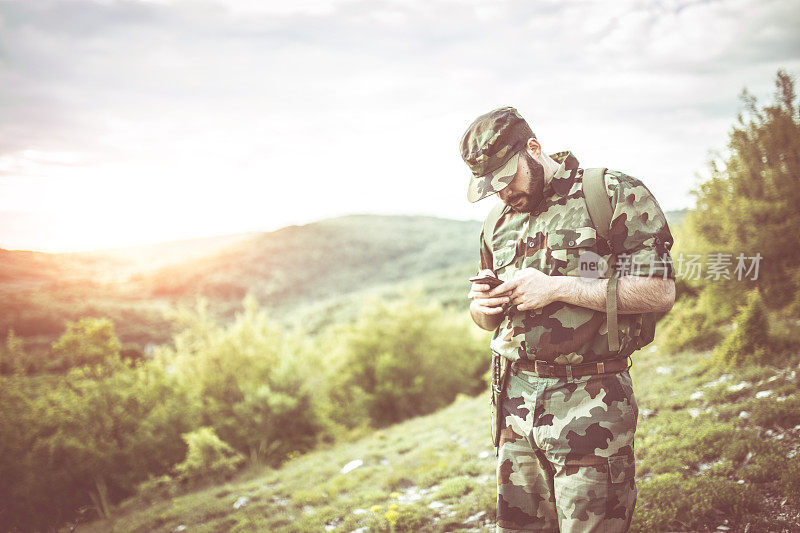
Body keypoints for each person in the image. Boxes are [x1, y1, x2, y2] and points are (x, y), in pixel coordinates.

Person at [461, 106, 676, 532]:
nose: (503, 194)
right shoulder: (497, 221)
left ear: (535, 149)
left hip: (591, 401)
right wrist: (480, 309)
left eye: (507, 179)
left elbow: (659, 290)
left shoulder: (610, 192)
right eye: (491, 188)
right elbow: (489, 318)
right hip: (514, 405)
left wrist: (558, 286)